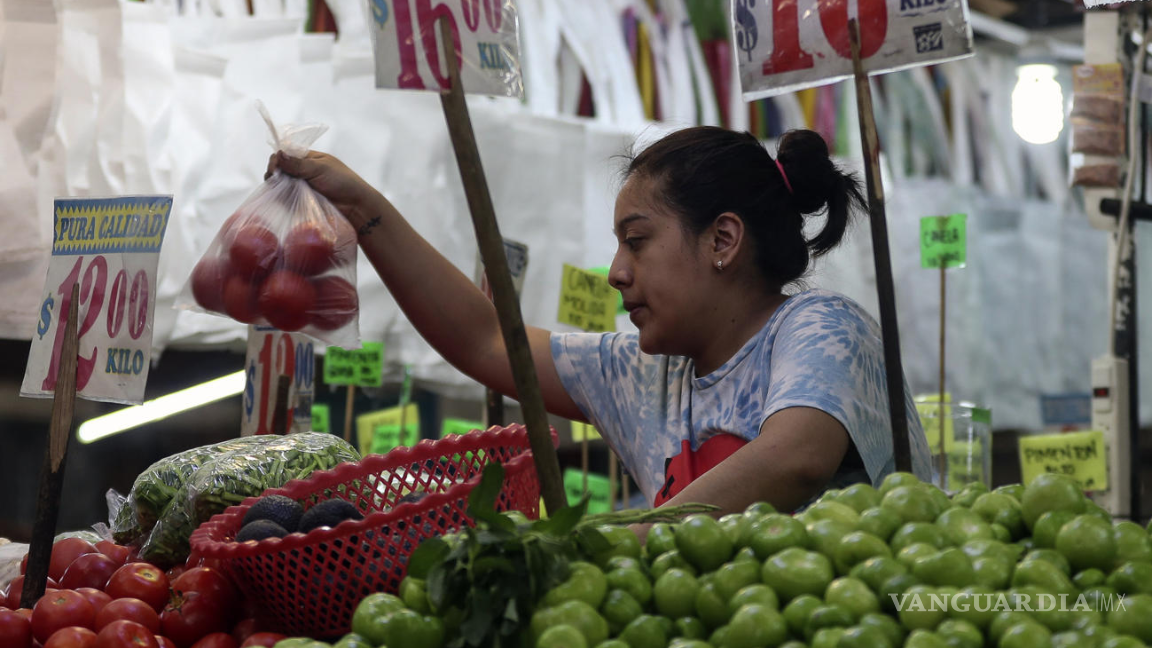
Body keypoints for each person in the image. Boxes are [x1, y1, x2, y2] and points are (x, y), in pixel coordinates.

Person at [267, 126, 932, 518]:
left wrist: (625, 544)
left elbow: (795, 458)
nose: (616, 271)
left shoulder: (822, 328)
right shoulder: (643, 370)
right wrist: (363, 211)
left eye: (636, 241)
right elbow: (486, 338)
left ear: (723, 241)